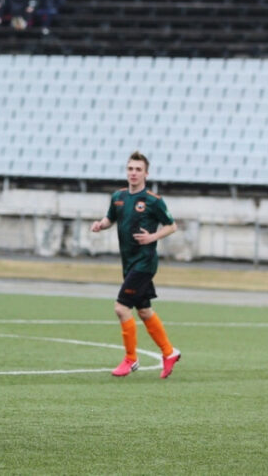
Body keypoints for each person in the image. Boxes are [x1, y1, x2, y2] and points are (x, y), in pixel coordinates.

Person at [90, 151, 181, 379]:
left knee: (121, 308)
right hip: (129, 262)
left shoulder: (153, 201)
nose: (133, 173)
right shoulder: (118, 197)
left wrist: (153, 237)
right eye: (130, 168)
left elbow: (172, 226)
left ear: (146, 174)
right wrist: (101, 225)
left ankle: (131, 359)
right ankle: (169, 353)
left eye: (138, 169)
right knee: (144, 310)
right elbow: (110, 218)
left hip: (145, 262)